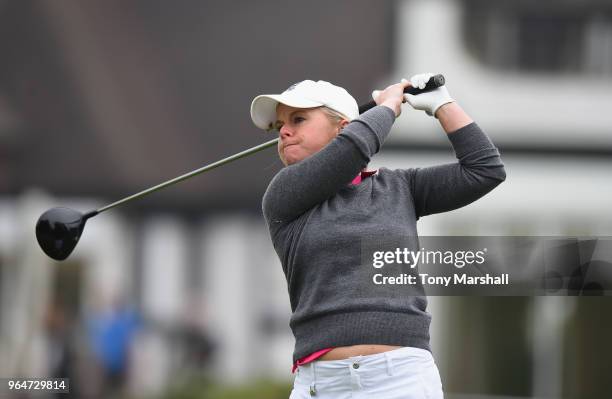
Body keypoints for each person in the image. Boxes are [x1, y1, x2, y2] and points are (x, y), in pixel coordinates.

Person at [250, 73, 506, 399]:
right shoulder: (284, 196)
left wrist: (442, 104)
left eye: (298, 119)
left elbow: (484, 169)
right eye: (279, 127)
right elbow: (353, 151)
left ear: (342, 126)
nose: (284, 131)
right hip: (321, 385)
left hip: (402, 379)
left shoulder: (401, 188)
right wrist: (388, 106)